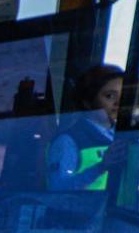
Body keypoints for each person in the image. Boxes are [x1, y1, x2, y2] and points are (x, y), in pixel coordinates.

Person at [47, 64, 126, 192]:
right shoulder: (67, 141)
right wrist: (100, 167)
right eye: (110, 96)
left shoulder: (126, 136)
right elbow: (58, 188)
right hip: (85, 205)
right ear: (88, 101)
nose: (118, 103)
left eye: (124, 95)